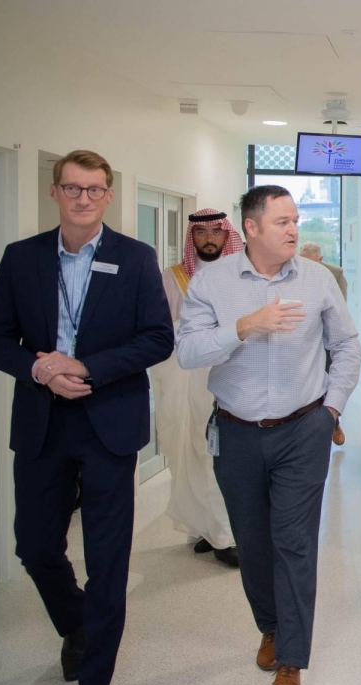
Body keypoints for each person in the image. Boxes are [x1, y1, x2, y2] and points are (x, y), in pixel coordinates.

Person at [0, 150, 174, 685]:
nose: (82, 198)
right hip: (43, 420)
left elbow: (157, 338)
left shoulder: (135, 258)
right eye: (72, 188)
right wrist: (41, 369)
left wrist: (85, 367)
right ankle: (78, 624)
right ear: (55, 193)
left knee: (108, 558)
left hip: (108, 420)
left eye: (93, 189)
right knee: (35, 545)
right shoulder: (22, 258)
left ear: (108, 195)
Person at [177, 185, 361, 685]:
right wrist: (244, 327)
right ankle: (271, 627)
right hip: (235, 432)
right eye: (282, 221)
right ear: (251, 228)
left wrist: (331, 410)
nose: (293, 229)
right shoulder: (212, 282)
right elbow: (187, 352)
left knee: (295, 543)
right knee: (253, 543)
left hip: (303, 429)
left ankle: (291, 662)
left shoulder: (316, 279)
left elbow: (347, 346)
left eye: (295, 220)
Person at [150, 209, 244, 567]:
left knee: (216, 455)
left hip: (226, 376)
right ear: (192, 237)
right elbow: (160, 330)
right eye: (201, 232)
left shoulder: (240, 274)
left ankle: (226, 535)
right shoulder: (173, 277)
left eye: (216, 232)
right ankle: (204, 528)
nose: (209, 238)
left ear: (227, 236)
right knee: (186, 452)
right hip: (182, 379)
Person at [298, 241, 348, 445]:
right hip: (301, 338)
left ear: (320, 260)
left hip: (327, 337)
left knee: (328, 380)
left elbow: (340, 310)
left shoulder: (334, 274)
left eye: (313, 262)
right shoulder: (293, 273)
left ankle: (334, 423)